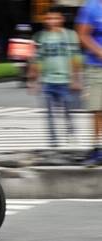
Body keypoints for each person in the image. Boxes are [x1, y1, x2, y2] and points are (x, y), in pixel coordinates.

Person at [28, 6, 82, 148]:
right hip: (47, 81)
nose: (52, 21)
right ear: (45, 20)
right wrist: (33, 80)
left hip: (65, 80)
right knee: (50, 115)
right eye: (49, 18)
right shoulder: (40, 37)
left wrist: (76, 79)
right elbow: (37, 59)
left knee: (68, 112)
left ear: (62, 19)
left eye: (56, 18)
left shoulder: (70, 35)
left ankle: (71, 133)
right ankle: (53, 142)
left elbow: (75, 58)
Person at [76, 0, 102, 165]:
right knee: (98, 109)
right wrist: (99, 52)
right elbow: (82, 34)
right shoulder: (92, 7)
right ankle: (97, 148)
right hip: (96, 68)